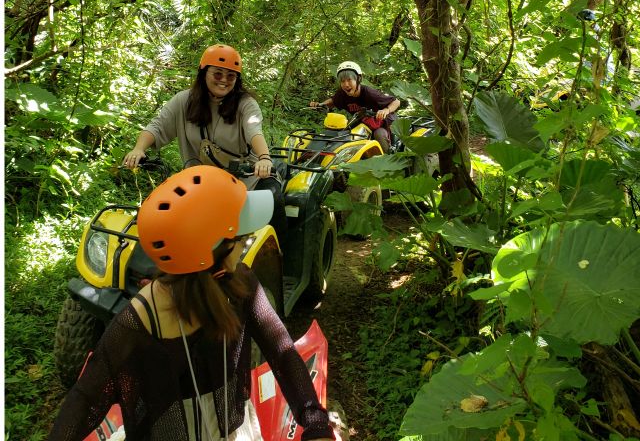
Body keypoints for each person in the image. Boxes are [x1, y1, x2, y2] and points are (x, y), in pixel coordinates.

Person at [48, 165, 335, 441]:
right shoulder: (141, 318)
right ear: (210, 255)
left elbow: (282, 352)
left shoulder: (241, 284)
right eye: (241, 238)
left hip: (234, 430)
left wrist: (315, 423)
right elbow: (85, 399)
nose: (245, 244)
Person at [124, 43, 287, 240]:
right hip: (198, 183)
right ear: (203, 73)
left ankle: (281, 253)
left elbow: (254, 131)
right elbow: (157, 127)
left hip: (246, 178)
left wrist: (264, 158)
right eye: (217, 74)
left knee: (272, 199)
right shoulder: (184, 101)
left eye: (231, 76)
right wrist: (138, 149)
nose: (224, 80)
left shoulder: (245, 104)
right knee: (169, 217)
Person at [310, 61, 400, 153]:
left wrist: (385, 110)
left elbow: (396, 102)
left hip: (382, 123)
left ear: (358, 79)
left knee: (379, 135)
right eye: (342, 81)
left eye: (349, 80)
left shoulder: (369, 93)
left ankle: (390, 158)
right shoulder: (342, 94)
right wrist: (320, 104)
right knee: (345, 135)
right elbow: (333, 101)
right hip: (363, 123)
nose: (346, 84)